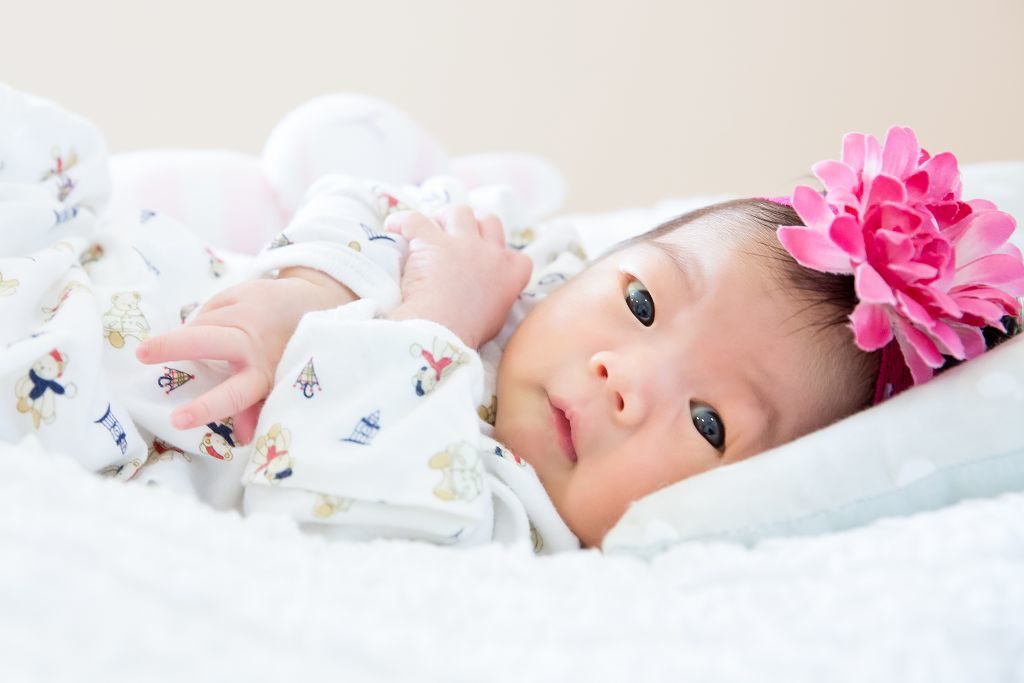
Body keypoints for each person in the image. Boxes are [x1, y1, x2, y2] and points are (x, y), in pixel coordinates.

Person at [2, 84, 1021, 551]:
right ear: (604, 263)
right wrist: (304, 288)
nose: (629, 376)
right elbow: (369, 202)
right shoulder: (506, 270)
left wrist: (428, 327)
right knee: (51, 151)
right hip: (83, 265)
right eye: (639, 301)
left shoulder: (488, 516)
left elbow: (332, 518)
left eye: (709, 422)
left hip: (65, 401)